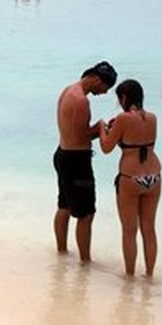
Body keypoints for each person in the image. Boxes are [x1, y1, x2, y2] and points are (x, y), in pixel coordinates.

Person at [53, 61, 117, 263]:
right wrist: (100, 128)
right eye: (105, 88)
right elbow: (81, 135)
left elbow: (72, 131)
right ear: (97, 79)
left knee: (64, 205)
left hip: (62, 154)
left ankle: (61, 253)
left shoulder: (68, 91)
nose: (104, 93)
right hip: (76, 161)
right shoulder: (81, 101)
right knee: (86, 214)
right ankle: (85, 262)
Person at [100, 78, 161, 278]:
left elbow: (106, 147)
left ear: (124, 97)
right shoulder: (152, 118)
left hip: (130, 178)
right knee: (149, 229)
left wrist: (102, 127)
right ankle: (150, 275)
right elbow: (140, 144)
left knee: (129, 231)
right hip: (154, 177)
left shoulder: (123, 119)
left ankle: (129, 276)